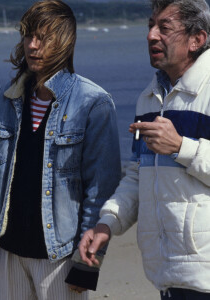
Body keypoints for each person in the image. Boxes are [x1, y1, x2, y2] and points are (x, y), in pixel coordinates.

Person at [0, 1, 121, 299]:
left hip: (60, 255)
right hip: (10, 251)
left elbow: (100, 190)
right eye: (28, 36)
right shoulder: (4, 99)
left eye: (44, 37)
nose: (33, 46)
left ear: (64, 43)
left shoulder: (93, 103)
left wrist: (88, 263)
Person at [79, 0, 210, 299]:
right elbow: (138, 176)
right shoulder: (149, 100)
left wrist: (180, 147)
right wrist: (106, 223)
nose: (151, 35)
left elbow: (181, 152)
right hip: (165, 274)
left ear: (197, 39)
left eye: (164, 28)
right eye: (150, 26)